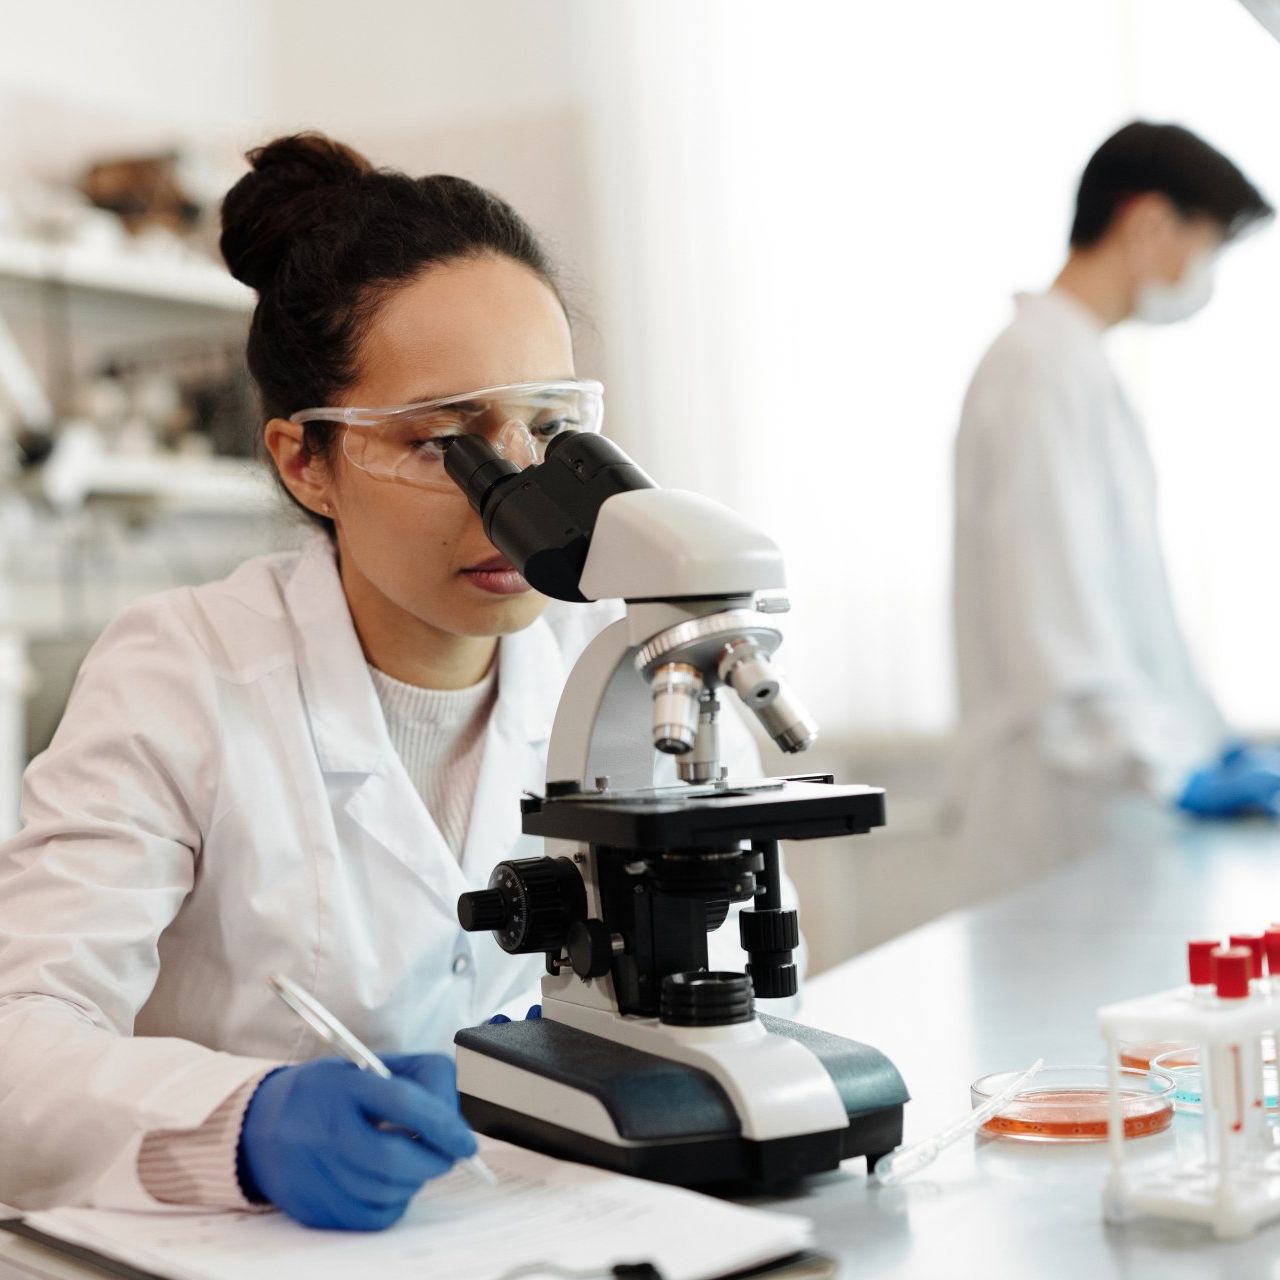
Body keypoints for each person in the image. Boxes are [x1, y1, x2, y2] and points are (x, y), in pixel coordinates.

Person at [0, 134, 791, 1228]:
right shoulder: (181, 672)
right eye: (439, 442)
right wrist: (246, 1121)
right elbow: (19, 1037)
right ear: (301, 460)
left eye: (549, 428)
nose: (513, 488)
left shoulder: (623, 667)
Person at [950, 121, 1277, 889]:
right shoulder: (1037, 369)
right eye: (1209, 244)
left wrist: (1203, 738)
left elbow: (1132, 611)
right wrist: (1166, 768)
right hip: (1056, 818)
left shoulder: (1074, 364)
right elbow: (1055, 622)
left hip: (1103, 809)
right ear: (1151, 222)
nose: (1205, 272)